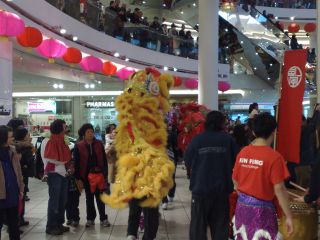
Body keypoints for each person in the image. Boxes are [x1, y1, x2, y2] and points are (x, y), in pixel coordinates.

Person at [232, 113, 293, 239]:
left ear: (253, 132)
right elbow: (279, 189)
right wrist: (289, 216)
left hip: (242, 207)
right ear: (273, 132)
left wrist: (245, 196)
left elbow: (234, 179)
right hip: (262, 211)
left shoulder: (243, 152)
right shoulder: (274, 157)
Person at [184, 111, 238, 240]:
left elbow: (187, 160)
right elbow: (236, 160)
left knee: (198, 227)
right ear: (222, 123)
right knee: (220, 227)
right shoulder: (228, 140)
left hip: (200, 190)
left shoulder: (197, 139)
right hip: (222, 191)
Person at [74, 123, 110, 228]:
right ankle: (90, 219)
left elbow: (104, 160)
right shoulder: (79, 146)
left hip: (99, 176)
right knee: (89, 199)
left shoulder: (99, 144)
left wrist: (105, 174)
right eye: (88, 132)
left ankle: (103, 218)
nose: (91, 134)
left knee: (100, 198)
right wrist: (78, 177)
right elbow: (76, 162)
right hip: (86, 177)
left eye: (92, 132)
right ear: (84, 134)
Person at [41, 120, 71, 235]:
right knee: (54, 201)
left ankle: (59, 223)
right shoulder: (48, 140)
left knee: (62, 200)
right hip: (54, 174)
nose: (66, 128)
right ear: (59, 128)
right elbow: (48, 158)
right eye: (64, 126)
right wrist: (63, 161)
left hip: (63, 173)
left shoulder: (62, 140)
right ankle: (51, 226)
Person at [0, 125, 24, 240]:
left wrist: (21, 188)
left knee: (14, 226)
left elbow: (18, 172)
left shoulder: (12, 151)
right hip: (1, 194)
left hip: (13, 194)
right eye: (10, 137)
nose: (12, 139)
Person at [13, 127, 34, 227]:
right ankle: (17, 220)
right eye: (27, 134)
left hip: (22, 174)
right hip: (21, 174)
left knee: (21, 195)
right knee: (20, 196)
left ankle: (20, 218)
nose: (29, 136)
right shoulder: (22, 147)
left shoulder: (17, 146)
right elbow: (26, 161)